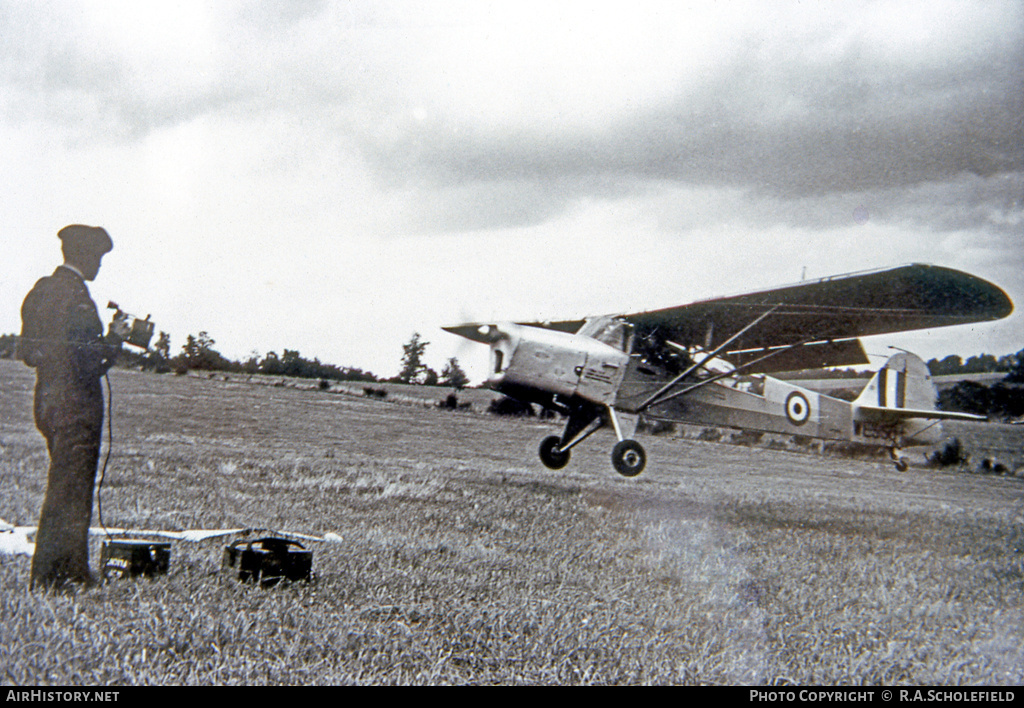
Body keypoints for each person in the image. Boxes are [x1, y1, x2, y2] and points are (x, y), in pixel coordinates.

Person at [18, 225, 124, 589]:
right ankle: (58, 575)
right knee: (71, 490)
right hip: (77, 404)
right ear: (88, 255)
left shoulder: (41, 291)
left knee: (63, 485)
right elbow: (89, 364)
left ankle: (64, 570)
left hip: (46, 400)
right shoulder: (78, 298)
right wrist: (116, 340)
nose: (99, 266)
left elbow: (28, 353)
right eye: (98, 258)